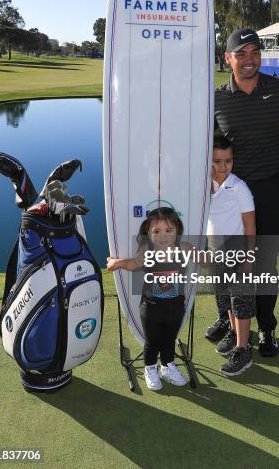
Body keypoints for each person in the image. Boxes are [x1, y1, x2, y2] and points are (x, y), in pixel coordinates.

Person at [210, 28, 279, 357]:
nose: (248, 60)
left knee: (265, 262)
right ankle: (231, 321)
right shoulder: (217, 97)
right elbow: (208, 145)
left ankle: (267, 328)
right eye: (240, 53)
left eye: (254, 52)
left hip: (270, 187)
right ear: (227, 59)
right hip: (232, 192)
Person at [106, 207, 189, 391]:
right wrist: (116, 263)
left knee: (169, 339)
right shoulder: (147, 250)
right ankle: (150, 369)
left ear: (177, 230)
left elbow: (203, 258)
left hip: (176, 307)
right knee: (151, 342)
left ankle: (167, 366)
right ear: (148, 233)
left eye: (169, 230)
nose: (163, 236)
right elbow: (132, 263)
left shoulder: (184, 247)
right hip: (151, 308)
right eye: (156, 231)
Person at [206, 136, 256, 376]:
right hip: (218, 253)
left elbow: (250, 225)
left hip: (238, 256)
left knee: (241, 302)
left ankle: (243, 350)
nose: (223, 167)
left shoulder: (239, 188)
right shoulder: (207, 186)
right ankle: (235, 333)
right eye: (217, 161)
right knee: (225, 299)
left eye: (228, 161)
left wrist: (248, 259)